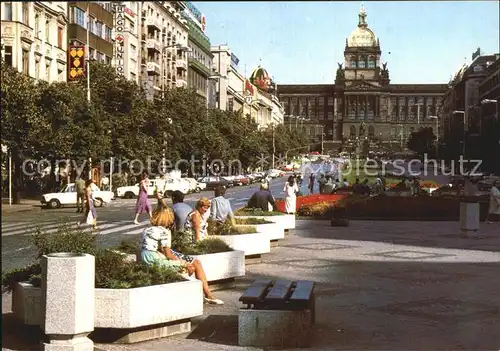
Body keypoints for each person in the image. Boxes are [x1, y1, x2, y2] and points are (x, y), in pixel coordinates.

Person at [138, 206, 223, 304]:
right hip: (156, 259)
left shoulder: (146, 230)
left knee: (192, 264)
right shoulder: (164, 231)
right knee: (191, 266)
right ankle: (204, 295)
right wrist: (182, 263)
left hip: (147, 257)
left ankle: (201, 294)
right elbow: (168, 254)